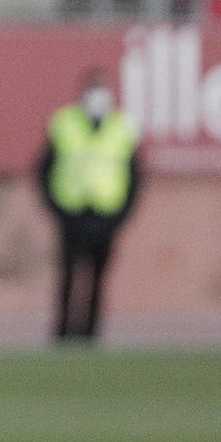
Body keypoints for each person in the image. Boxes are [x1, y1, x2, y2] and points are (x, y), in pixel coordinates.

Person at [37, 69, 142, 342]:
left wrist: (121, 215)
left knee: (98, 277)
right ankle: (63, 331)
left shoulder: (123, 126)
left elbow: (135, 176)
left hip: (106, 213)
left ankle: (91, 333)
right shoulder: (64, 122)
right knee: (68, 275)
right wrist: (55, 208)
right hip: (71, 212)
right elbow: (43, 169)